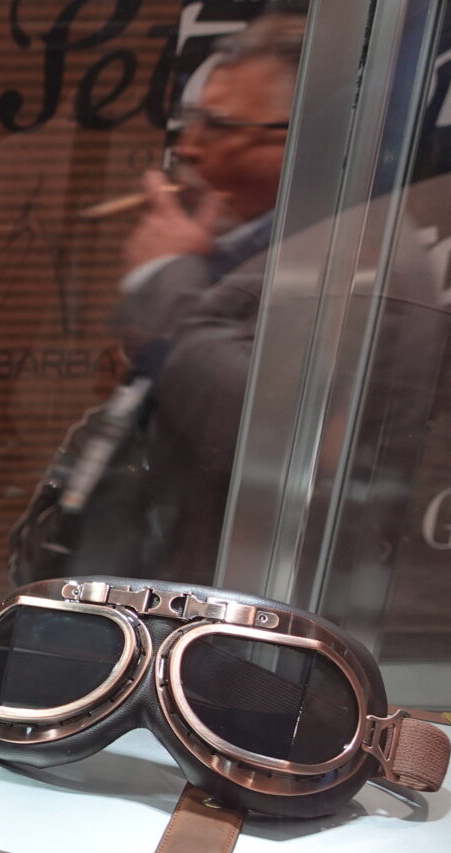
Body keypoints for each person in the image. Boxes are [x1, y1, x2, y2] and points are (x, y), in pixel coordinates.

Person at [104, 13, 305, 583]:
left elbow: (255, 420)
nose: (188, 147)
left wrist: (165, 273)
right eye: (192, 122)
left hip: (251, 592)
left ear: (301, 137)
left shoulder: (346, 258)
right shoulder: (241, 241)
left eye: (217, 126)